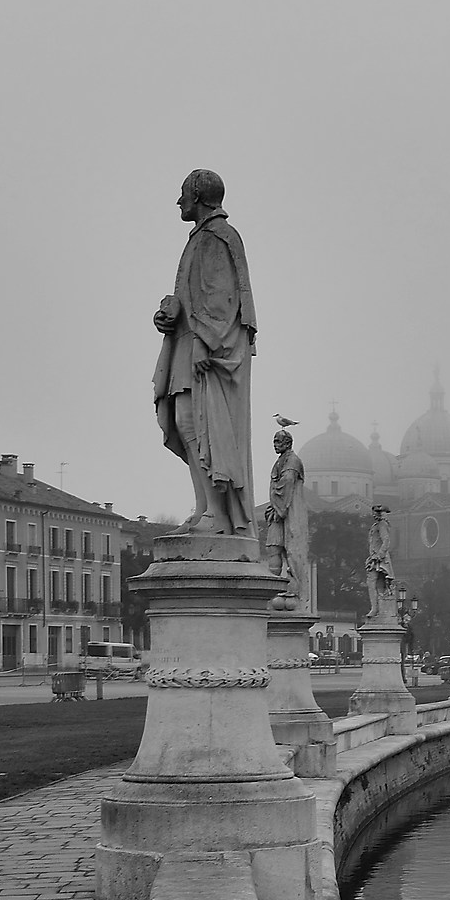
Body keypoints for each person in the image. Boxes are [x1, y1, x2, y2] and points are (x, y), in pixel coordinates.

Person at [152, 170, 256, 538]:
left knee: (202, 424)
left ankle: (218, 513)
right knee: (183, 422)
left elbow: (222, 298)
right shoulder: (199, 238)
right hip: (186, 343)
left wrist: (203, 341)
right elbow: (194, 296)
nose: (178, 201)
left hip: (204, 349)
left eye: (182, 193)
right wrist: (168, 314)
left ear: (198, 195)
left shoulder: (217, 237)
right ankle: (204, 508)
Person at [263, 428, 310, 605]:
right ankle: (272, 590)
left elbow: (287, 482)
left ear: (288, 443)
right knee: (273, 547)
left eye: (278, 442)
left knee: (292, 551)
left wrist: (279, 507)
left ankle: (296, 589)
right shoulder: (280, 461)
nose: (275, 445)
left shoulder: (293, 461)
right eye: (274, 441)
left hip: (289, 511)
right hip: (278, 509)